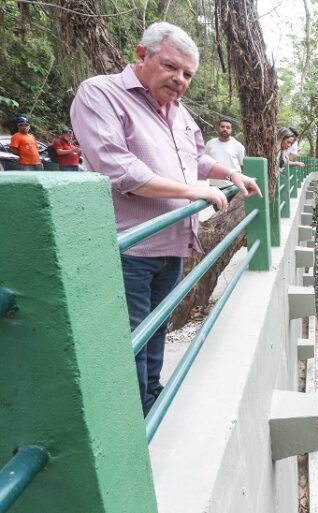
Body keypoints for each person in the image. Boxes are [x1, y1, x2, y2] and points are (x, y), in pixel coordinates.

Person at [70, 21, 261, 416]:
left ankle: (152, 397)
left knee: (157, 328)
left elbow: (196, 158)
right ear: (142, 54)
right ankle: (137, 417)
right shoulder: (101, 94)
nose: (179, 80)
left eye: (187, 74)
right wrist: (196, 191)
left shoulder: (181, 113)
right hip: (131, 248)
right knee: (134, 337)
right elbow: (117, 168)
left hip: (174, 243)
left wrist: (230, 175)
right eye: (171, 67)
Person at [205, 118, 245, 187]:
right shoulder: (209, 144)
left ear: (231, 130)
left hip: (233, 186)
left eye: (228, 127)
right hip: (213, 186)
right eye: (222, 127)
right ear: (218, 128)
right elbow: (205, 162)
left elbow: (243, 166)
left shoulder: (238, 146)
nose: (225, 129)